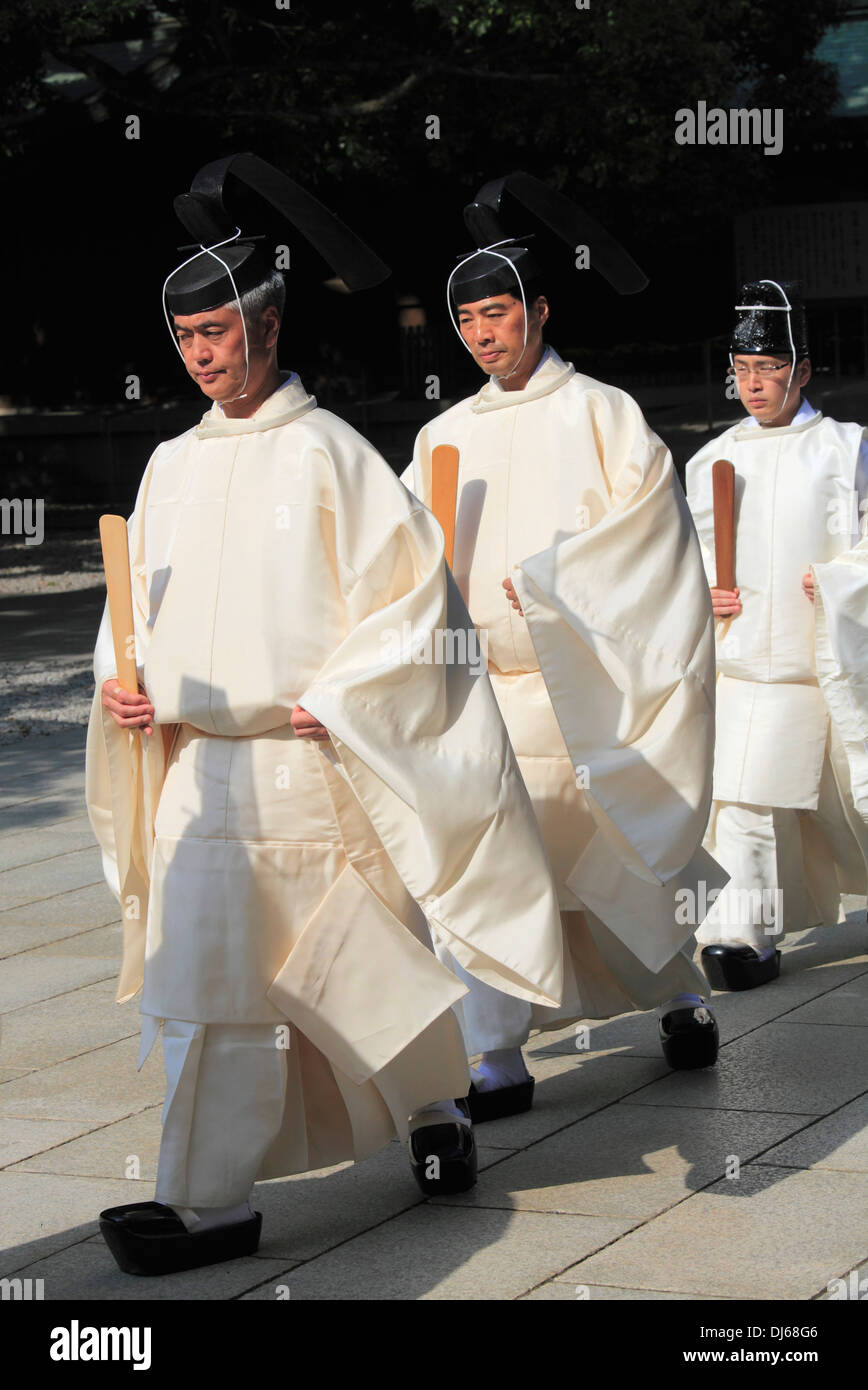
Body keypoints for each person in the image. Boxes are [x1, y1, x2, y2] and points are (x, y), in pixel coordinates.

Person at [86, 155, 564, 1275]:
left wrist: (346, 696)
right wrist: (122, 676)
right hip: (204, 769)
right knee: (214, 989)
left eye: (221, 330)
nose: (205, 355)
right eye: (186, 338)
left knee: (351, 964)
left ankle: (436, 1107)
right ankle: (206, 1200)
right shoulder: (167, 464)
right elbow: (132, 610)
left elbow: (414, 609)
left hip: (311, 761)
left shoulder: (334, 456)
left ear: (269, 318)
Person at [402, 172, 724, 1123]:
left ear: (540, 310)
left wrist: (552, 584)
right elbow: (403, 559)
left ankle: (679, 993)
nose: (483, 336)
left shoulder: (603, 414)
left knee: (617, 856)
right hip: (482, 695)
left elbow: (650, 539)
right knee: (484, 868)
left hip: (581, 691)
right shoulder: (439, 436)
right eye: (468, 323)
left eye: (498, 315)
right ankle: (492, 1049)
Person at [685, 279, 868, 991]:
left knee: (825, 801)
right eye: (742, 369)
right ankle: (743, 934)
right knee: (742, 796)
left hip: (818, 655)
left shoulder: (847, 449)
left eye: (768, 368)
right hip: (739, 662)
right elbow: (681, 557)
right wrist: (703, 589)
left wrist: (842, 580)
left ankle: (756, 923)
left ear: (803, 370)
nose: (753, 384)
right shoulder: (710, 460)